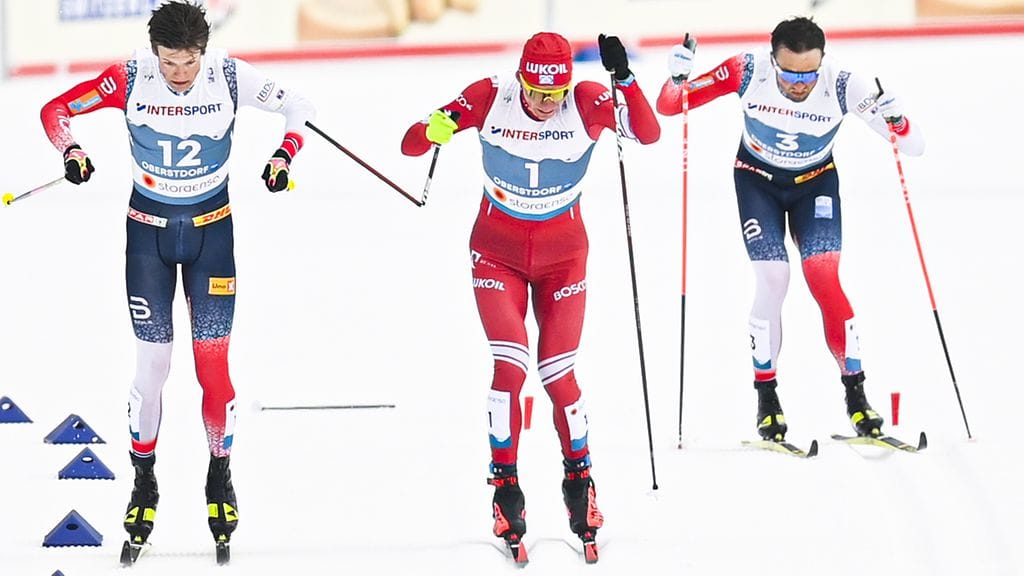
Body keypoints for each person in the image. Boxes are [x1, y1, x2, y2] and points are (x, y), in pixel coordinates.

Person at [39, 0, 315, 559]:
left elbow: (298, 106)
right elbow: (55, 110)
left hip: (213, 235)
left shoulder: (231, 76)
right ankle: (145, 479)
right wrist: (71, 151)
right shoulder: (131, 76)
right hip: (149, 237)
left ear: (203, 53)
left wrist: (285, 155)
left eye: (188, 62)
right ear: (154, 53)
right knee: (154, 365)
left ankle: (220, 475)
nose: (179, 75)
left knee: (213, 367)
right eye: (169, 62)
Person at [401, 32, 660, 560]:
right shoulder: (488, 96)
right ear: (520, 78)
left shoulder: (587, 99)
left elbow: (648, 134)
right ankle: (505, 489)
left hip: (564, 258)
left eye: (556, 94)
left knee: (558, 374)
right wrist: (434, 129)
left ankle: (580, 483)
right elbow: (410, 143)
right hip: (496, 253)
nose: (547, 105)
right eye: (538, 93)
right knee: (510, 368)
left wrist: (626, 79)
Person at [656, 17, 924, 442]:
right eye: (789, 73)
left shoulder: (843, 85)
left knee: (823, 277)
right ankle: (767, 399)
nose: (800, 83)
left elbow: (912, 145)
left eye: (808, 74)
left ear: (823, 61)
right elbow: (671, 106)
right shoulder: (747, 70)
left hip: (814, 184)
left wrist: (897, 117)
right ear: (772, 59)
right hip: (756, 180)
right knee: (773, 278)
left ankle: (856, 396)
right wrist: (676, 78)